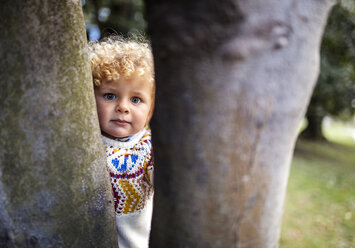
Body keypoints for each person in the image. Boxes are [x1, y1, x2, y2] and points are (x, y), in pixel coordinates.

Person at [88, 36, 155, 248]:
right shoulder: (85, 142)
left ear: (151, 109)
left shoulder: (148, 146)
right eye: (109, 96)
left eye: (136, 100)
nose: (123, 107)